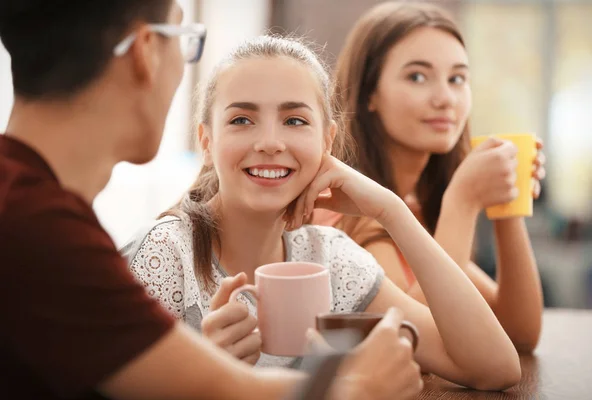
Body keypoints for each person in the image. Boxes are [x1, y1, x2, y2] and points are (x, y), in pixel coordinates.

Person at [0, 1, 424, 399]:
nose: (270, 141)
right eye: (182, 37)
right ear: (145, 51)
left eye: (294, 119)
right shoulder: (43, 236)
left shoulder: (33, 214)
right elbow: (231, 389)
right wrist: (357, 387)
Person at [123, 34, 521, 390]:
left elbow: (495, 368)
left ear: (327, 140)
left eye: (294, 120)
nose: (270, 142)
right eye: (241, 120)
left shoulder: (330, 257)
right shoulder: (163, 256)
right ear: (207, 141)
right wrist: (207, 380)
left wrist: (391, 211)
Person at [313, 2, 545, 352]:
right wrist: (464, 200)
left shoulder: (414, 211)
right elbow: (414, 335)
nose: (445, 99)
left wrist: (508, 201)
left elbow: (519, 333)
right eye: (417, 76)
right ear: (369, 93)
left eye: (457, 79)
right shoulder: (341, 206)